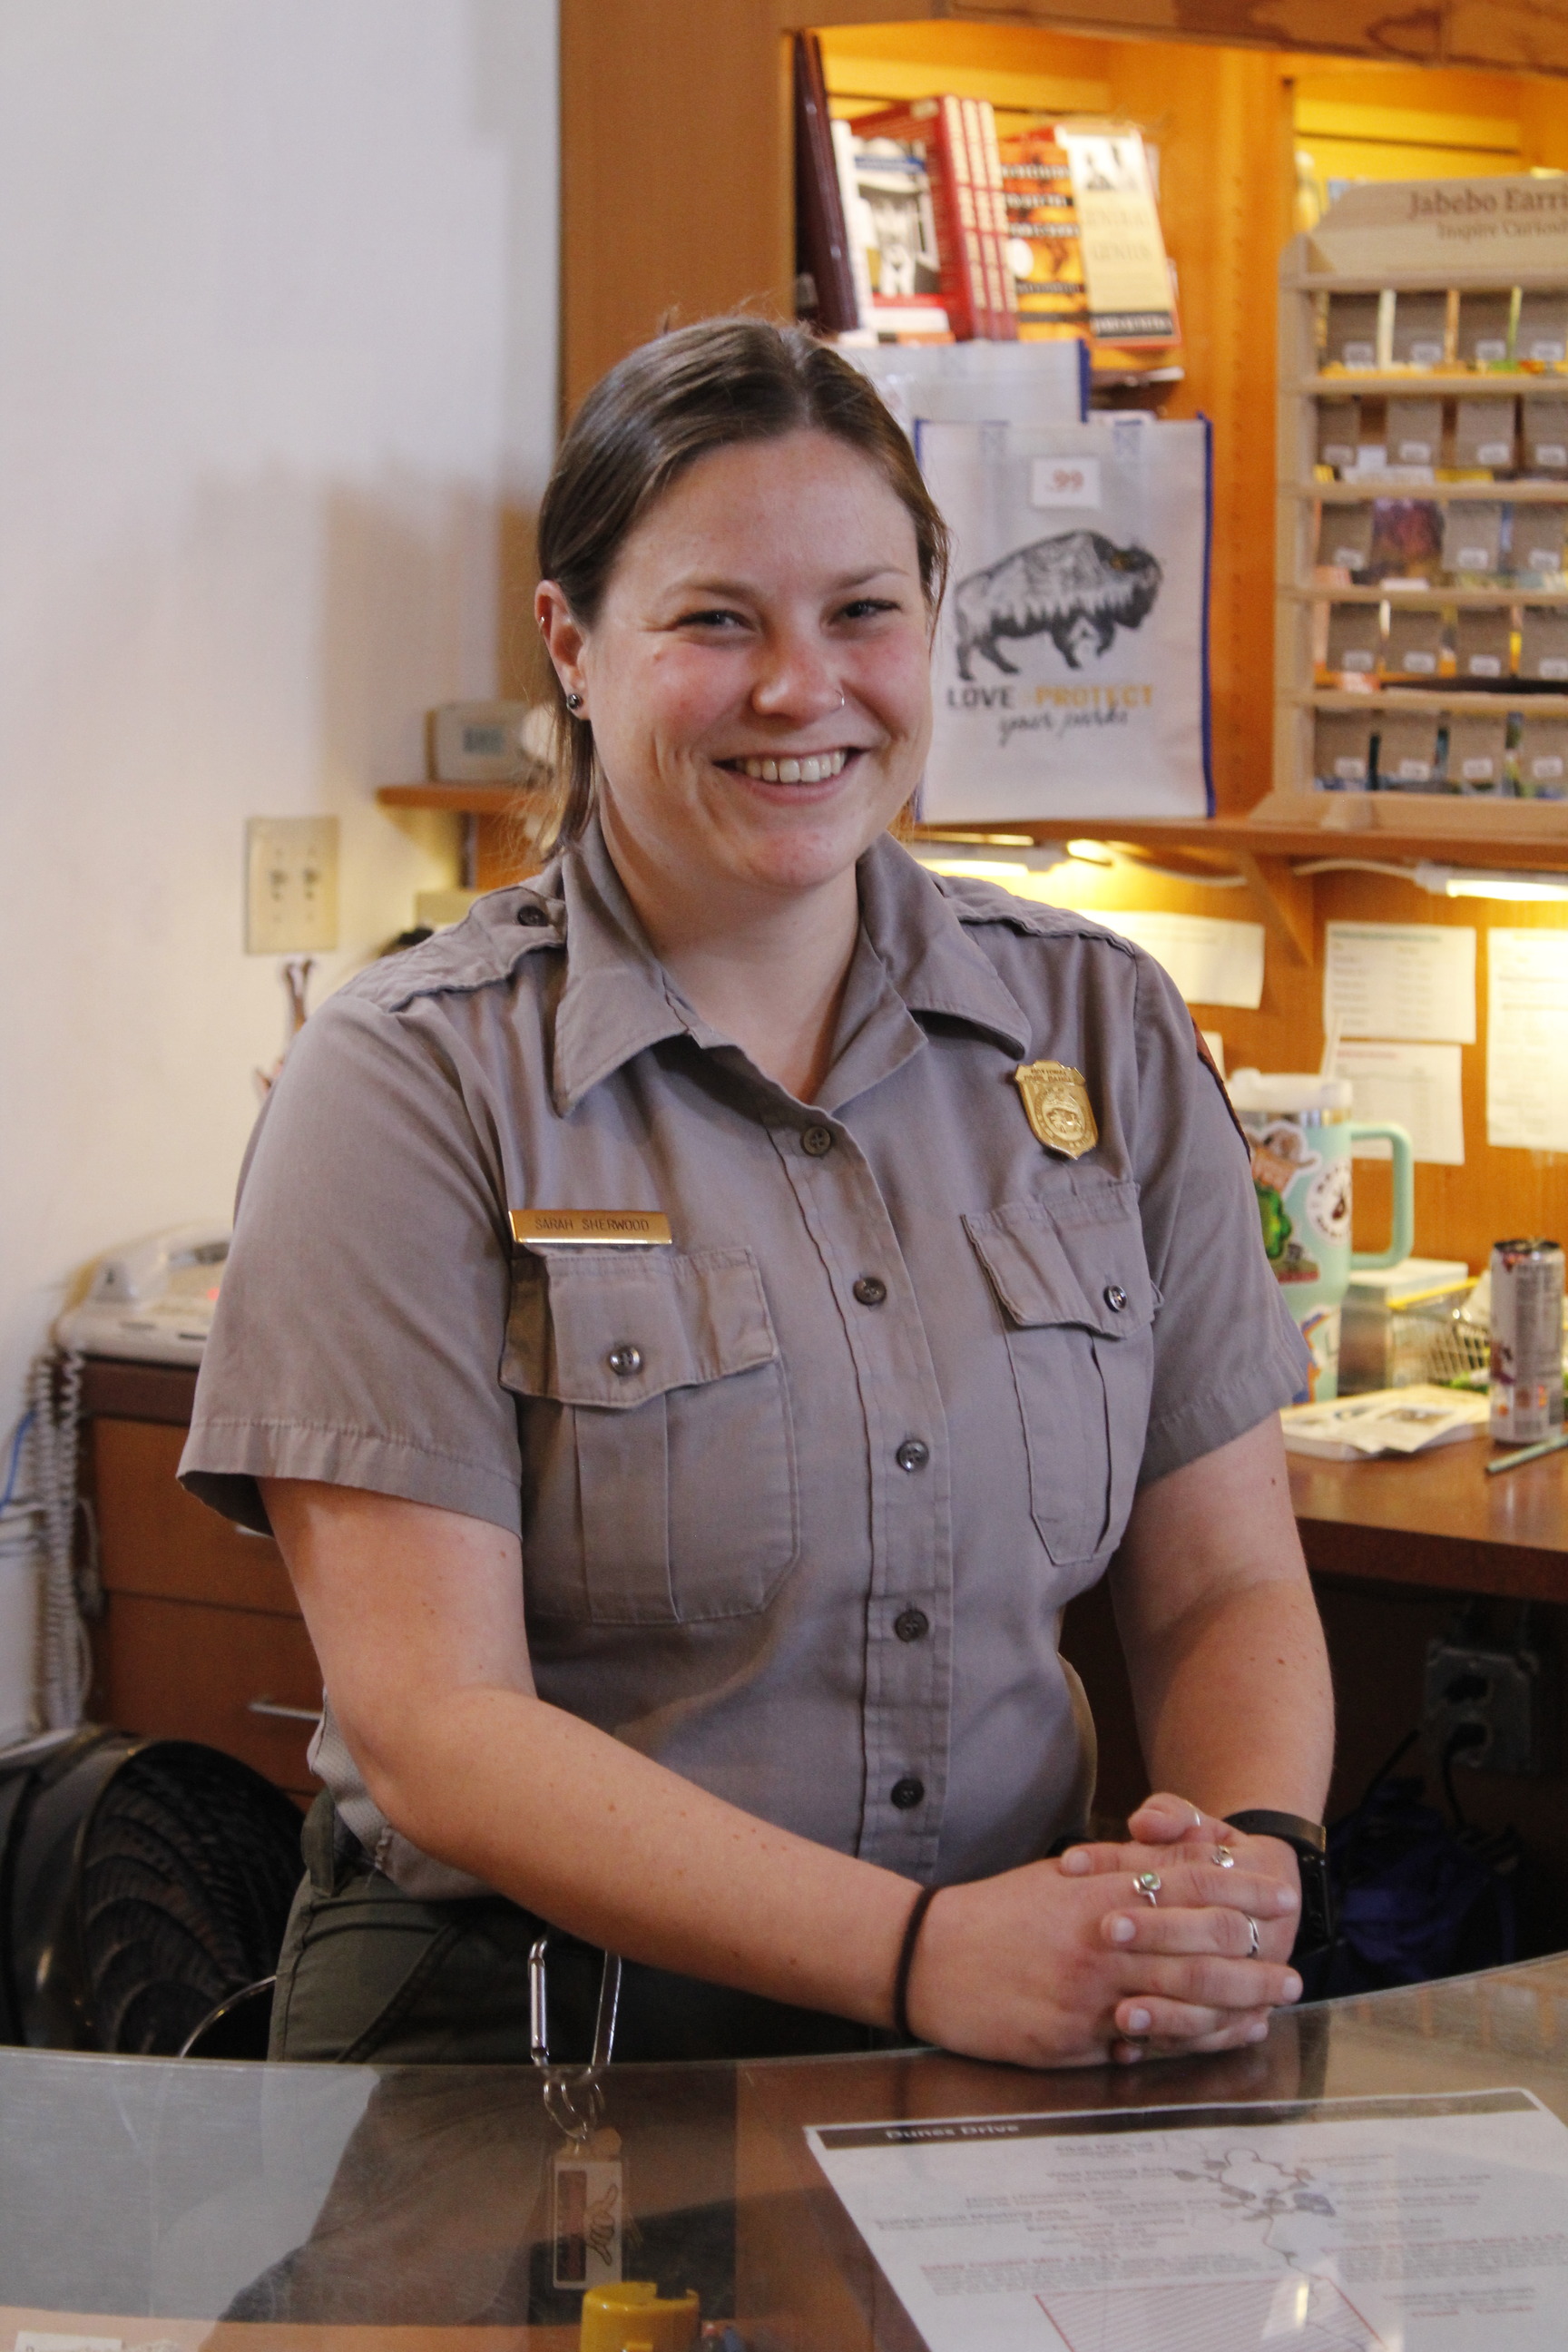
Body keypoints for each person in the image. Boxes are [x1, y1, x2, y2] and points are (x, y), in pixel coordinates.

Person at [180, 318, 1333, 2072]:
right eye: (717, 621)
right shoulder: (411, 1078)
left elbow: (1220, 1587)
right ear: (573, 646)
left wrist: (1237, 1876)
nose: (802, 689)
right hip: (537, 2043)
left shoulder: (1104, 1028)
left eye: (863, 611)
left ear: (934, 625)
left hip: (1008, 2007)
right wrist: (920, 1958)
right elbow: (436, 1726)